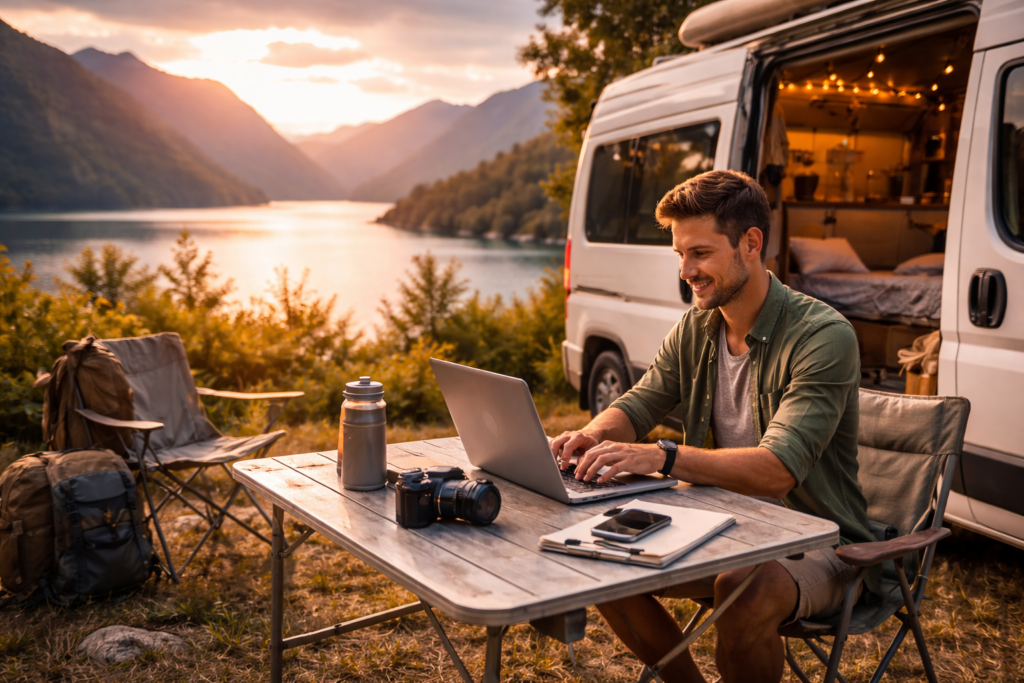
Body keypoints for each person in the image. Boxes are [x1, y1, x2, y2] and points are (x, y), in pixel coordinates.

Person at [550, 170, 878, 683]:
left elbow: (777, 472)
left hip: (820, 543)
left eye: (699, 253)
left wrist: (664, 456)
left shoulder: (823, 336)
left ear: (750, 244)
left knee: (743, 586)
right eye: (679, 255)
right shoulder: (697, 326)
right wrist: (592, 435)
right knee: (601, 560)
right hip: (721, 524)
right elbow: (639, 403)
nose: (686, 270)